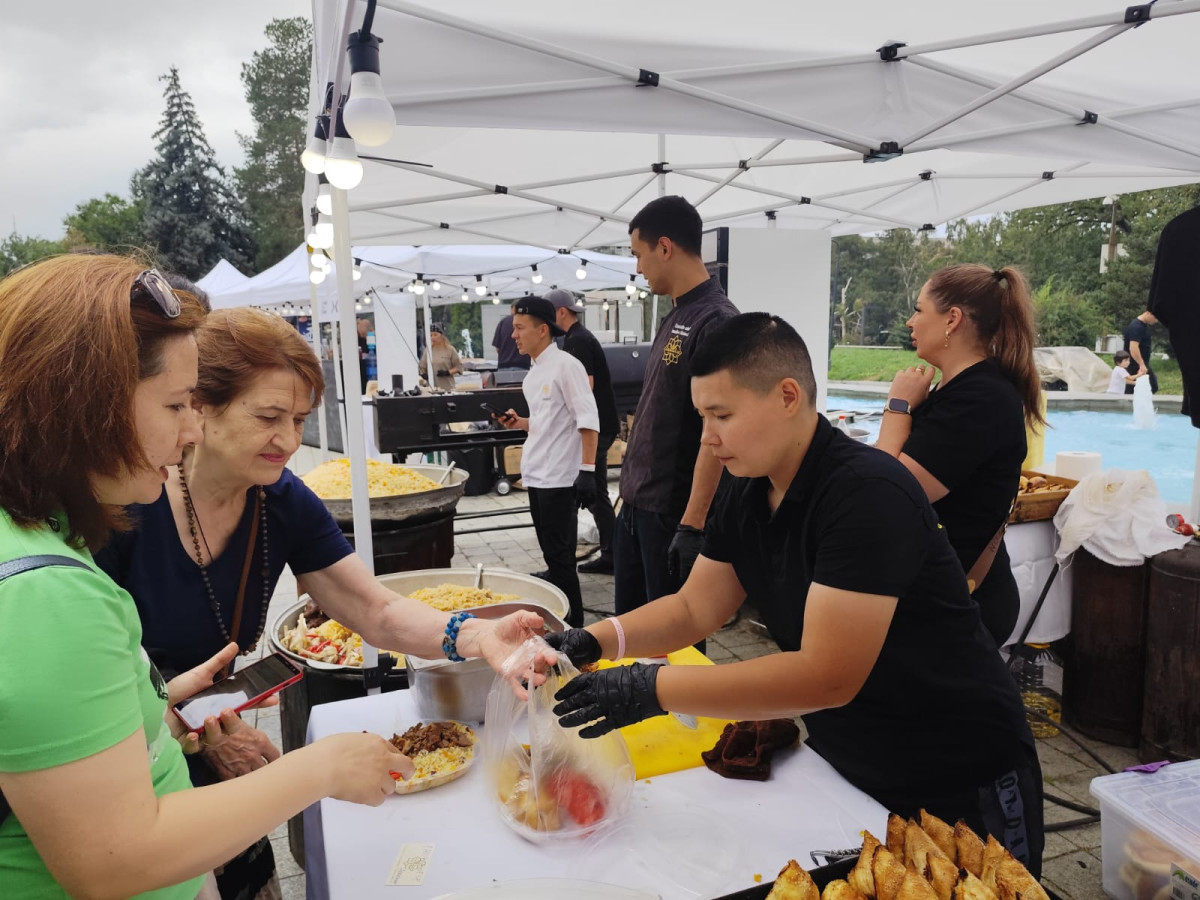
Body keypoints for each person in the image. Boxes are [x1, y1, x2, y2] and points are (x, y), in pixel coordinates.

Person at [547, 313, 1044, 876]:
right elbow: (696, 607)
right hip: (853, 760)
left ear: (787, 396)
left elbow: (827, 675)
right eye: (702, 417)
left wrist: (652, 687)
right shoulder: (747, 485)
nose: (708, 438)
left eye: (722, 415)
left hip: (959, 768)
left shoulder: (866, 494)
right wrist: (595, 639)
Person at [91, 304, 555, 898]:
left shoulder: (280, 498)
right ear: (198, 405)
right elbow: (90, 682)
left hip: (210, 739)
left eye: (300, 418)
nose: (288, 440)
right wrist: (179, 723)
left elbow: (376, 610)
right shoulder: (126, 502)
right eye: (268, 416)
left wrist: (476, 635)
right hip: (119, 765)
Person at [0, 255, 407, 900]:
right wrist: (322, 767)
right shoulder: (44, 590)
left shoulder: (29, 537)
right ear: (81, 407)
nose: (187, 430)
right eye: (173, 405)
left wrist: (158, 706)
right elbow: (113, 859)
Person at [875, 265, 1044, 647]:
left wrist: (897, 407)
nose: (909, 321)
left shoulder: (979, 399)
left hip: (960, 608)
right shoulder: (960, 392)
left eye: (919, 310)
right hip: (941, 596)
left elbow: (884, 493)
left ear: (952, 319)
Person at [616, 195, 738, 625]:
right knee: (630, 633)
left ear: (664, 247)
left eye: (639, 255)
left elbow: (718, 429)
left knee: (672, 641)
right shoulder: (676, 313)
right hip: (638, 506)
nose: (638, 268)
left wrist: (693, 524)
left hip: (671, 512)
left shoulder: (716, 321)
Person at [496, 296, 599, 627]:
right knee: (552, 558)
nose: (514, 335)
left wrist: (587, 471)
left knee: (561, 559)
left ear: (543, 330)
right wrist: (521, 422)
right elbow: (548, 420)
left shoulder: (567, 366)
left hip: (559, 478)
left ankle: (576, 631)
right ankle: (562, 623)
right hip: (537, 475)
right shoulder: (534, 372)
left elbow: (589, 419)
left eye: (519, 328)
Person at [546, 288, 619, 575]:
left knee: (592, 492)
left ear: (561, 312)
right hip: (601, 424)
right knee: (596, 492)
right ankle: (612, 552)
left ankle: (612, 554)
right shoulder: (577, 338)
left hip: (596, 427)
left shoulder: (577, 341)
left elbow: (584, 387)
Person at [418, 322, 463, 391]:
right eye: (431, 335)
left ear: (442, 335)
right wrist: (423, 374)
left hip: (448, 388)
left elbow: (458, 367)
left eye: (435, 335)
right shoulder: (428, 350)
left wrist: (447, 372)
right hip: (431, 389)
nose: (433, 337)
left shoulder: (450, 349)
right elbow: (422, 367)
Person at [1123, 309, 1159, 394]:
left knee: (1152, 386)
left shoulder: (1143, 326)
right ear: (1148, 313)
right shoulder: (1136, 327)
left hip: (1141, 363)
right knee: (1132, 389)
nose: (1156, 321)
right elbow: (1133, 347)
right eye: (1155, 318)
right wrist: (1141, 364)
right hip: (1134, 364)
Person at [491, 300, 530, 376]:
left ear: (512, 308)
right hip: (522, 365)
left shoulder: (503, 322)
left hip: (503, 366)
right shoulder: (528, 322)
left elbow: (497, 348)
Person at [356, 317, 371, 391]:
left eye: (363, 334)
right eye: (360, 334)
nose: (362, 336)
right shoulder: (360, 339)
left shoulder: (372, 338)